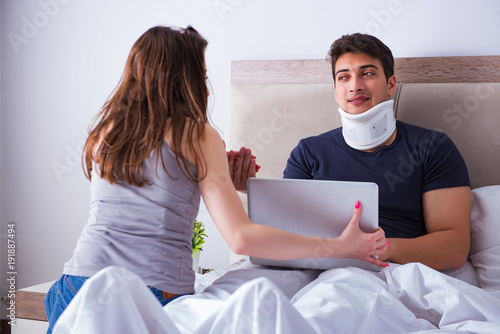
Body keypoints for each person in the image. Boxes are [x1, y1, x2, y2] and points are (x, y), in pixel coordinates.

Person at [44, 26, 388, 333]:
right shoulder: (196, 134)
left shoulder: (106, 131)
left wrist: (216, 174)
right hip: (150, 294)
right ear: (184, 78)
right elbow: (241, 239)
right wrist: (336, 248)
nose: (204, 84)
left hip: (72, 288)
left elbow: (148, 189)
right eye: (201, 74)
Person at [283, 33, 471, 271]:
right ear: (335, 91)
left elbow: (454, 248)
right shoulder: (308, 153)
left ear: (391, 84)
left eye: (368, 73)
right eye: (344, 77)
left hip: (398, 273)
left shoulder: (432, 147)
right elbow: (284, 234)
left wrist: (382, 248)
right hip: (322, 272)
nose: (355, 86)